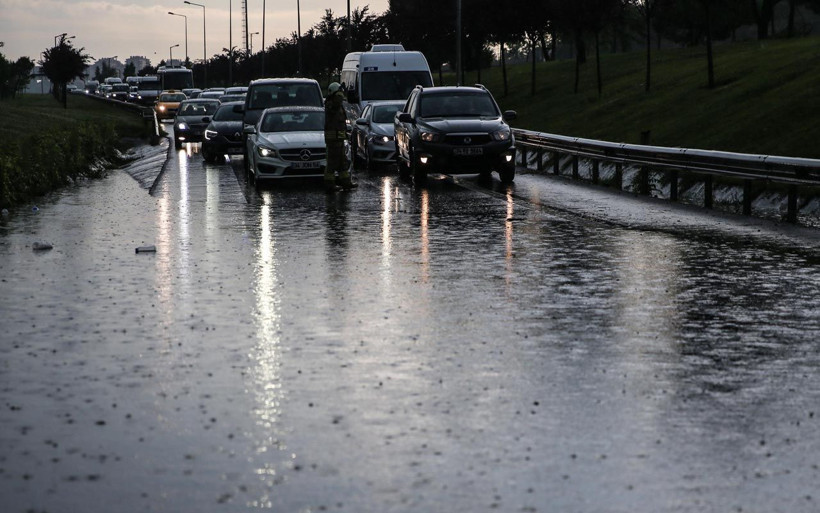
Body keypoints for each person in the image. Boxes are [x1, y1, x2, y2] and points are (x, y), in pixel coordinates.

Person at [324, 82, 357, 192]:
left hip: (339, 139)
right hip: (333, 140)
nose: (341, 95)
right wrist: (339, 93)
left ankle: (346, 183)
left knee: (343, 163)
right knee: (332, 164)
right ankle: (329, 185)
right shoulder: (331, 104)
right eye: (339, 93)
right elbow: (337, 102)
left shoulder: (337, 105)